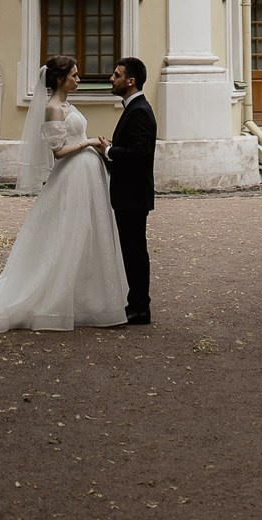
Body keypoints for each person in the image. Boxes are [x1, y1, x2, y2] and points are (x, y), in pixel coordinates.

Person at [0, 56, 128, 333]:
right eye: (74, 75)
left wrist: (94, 147)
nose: (79, 79)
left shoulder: (67, 105)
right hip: (71, 176)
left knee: (86, 233)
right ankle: (52, 299)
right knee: (66, 234)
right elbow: (58, 152)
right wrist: (90, 142)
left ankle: (87, 300)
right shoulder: (53, 108)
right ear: (60, 79)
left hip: (86, 174)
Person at [94, 57, 157, 325]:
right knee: (132, 251)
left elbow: (140, 154)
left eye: (117, 75)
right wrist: (111, 147)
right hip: (129, 194)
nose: (111, 78)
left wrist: (108, 150)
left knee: (135, 252)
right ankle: (136, 304)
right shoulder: (134, 108)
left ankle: (140, 308)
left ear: (130, 81)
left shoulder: (140, 110)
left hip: (133, 195)